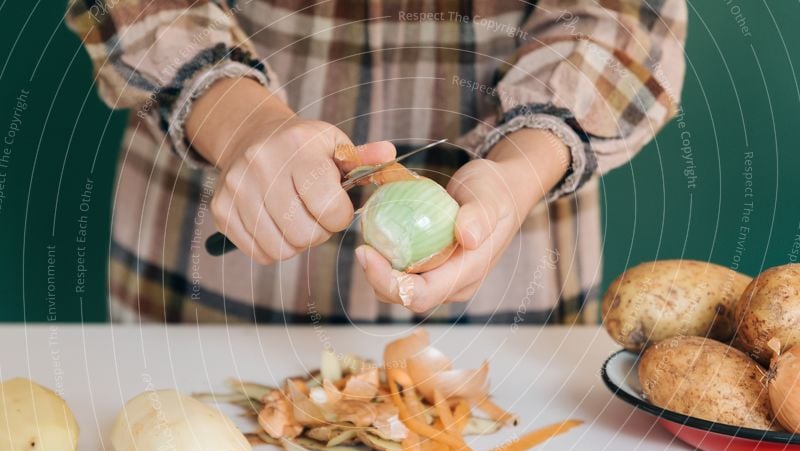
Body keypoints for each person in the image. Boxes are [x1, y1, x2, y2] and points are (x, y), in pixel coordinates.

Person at [67, 0, 686, 324]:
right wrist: (242, 123)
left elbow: (629, 14)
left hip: (516, 255)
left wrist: (519, 171)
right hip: (212, 227)